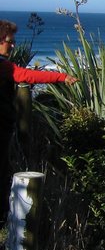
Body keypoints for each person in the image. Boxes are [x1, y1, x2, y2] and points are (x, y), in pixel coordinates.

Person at [0, 19, 78, 223]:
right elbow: (26, 75)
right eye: (10, 41)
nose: (13, 45)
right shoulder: (3, 67)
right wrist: (62, 77)